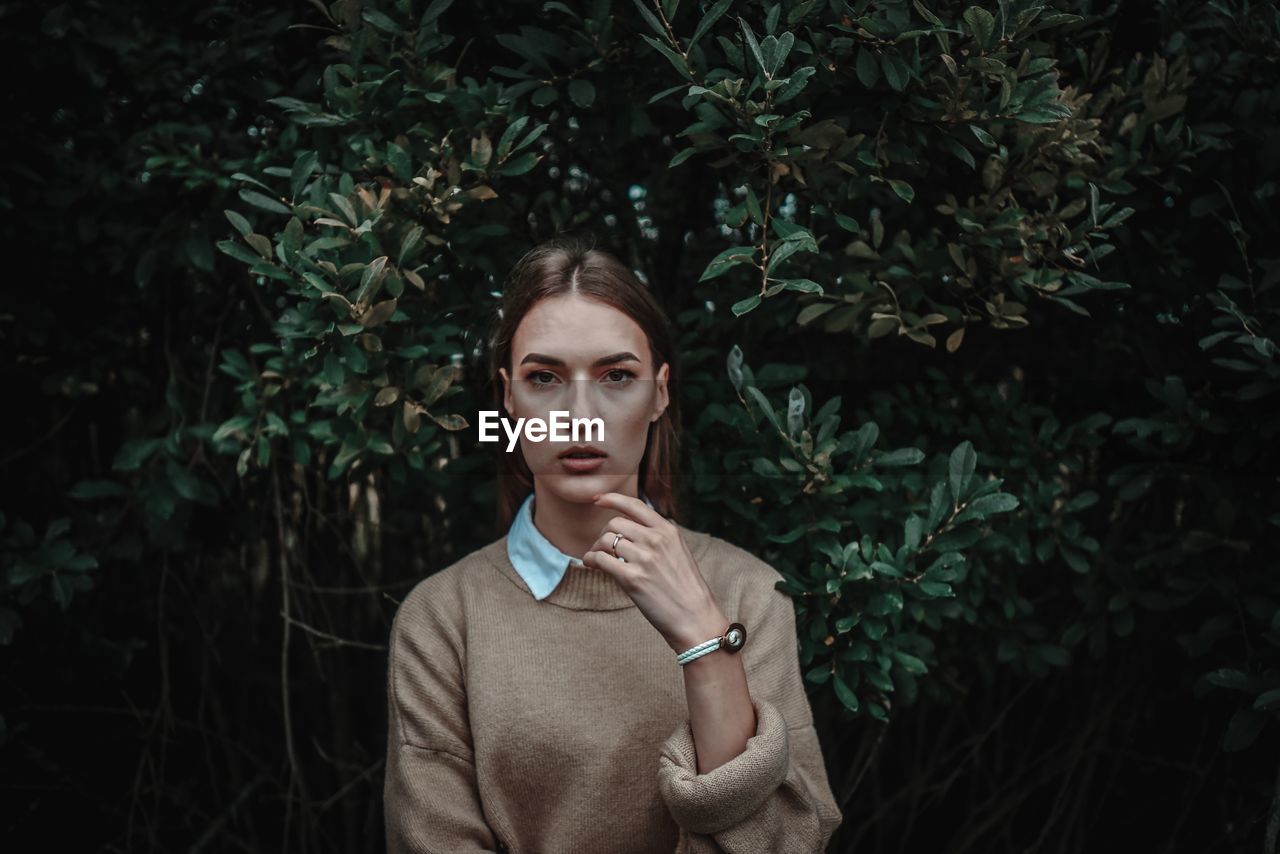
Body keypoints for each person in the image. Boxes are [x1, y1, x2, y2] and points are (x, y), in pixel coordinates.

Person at [384, 232, 844, 853]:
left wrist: (706, 644)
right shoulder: (443, 619)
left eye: (616, 375)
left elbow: (790, 841)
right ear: (508, 398)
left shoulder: (750, 595)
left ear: (658, 393)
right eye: (544, 377)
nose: (580, 412)